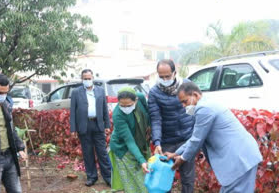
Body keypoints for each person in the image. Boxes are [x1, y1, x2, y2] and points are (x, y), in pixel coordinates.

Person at [164, 82, 262, 193]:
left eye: (185, 101)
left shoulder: (204, 109)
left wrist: (182, 158)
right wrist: (176, 153)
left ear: (195, 95)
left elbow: (197, 140)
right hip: (242, 157)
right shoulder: (207, 102)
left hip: (239, 160)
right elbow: (195, 138)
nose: (183, 106)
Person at [148, 59, 195, 193]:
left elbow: (194, 112)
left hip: (186, 139)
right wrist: (157, 142)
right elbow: (155, 119)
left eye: (167, 76)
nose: (164, 79)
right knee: (165, 175)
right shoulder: (154, 93)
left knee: (188, 177)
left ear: (174, 72)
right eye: (161, 76)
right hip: (167, 141)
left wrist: (195, 137)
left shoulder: (187, 85)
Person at [70, 69, 111, 187]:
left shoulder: (100, 91)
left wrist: (107, 125)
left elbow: (104, 109)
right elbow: (72, 111)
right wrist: (73, 128)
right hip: (84, 126)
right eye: (85, 78)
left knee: (102, 152)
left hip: (98, 125)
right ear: (82, 79)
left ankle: (108, 177)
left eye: (89, 78)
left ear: (93, 78)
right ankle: (92, 177)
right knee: (87, 153)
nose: (87, 80)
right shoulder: (76, 92)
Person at [109, 87, 151, 193]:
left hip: (141, 141)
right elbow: (129, 141)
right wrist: (142, 161)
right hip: (122, 147)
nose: (125, 108)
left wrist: (149, 127)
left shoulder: (141, 98)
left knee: (146, 175)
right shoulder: (117, 115)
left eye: (129, 105)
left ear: (136, 100)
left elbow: (148, 113)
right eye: (122, 105)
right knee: (134, 178)